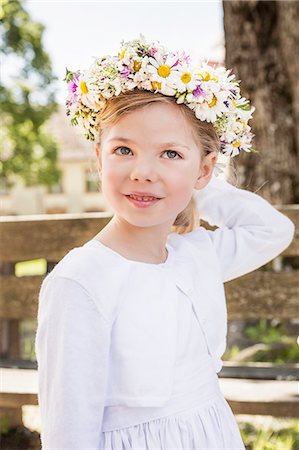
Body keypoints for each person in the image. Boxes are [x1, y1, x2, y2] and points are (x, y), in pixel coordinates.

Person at [35, 35, 295, 450]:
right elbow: (68, 431)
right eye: (124, 149)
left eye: (170, 154)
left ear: (206, 169)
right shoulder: (83, 281)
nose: (143, 172)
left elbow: (272, 231)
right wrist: (180, 173)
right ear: (99, 159)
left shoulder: (194, 255)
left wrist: (196, 187)